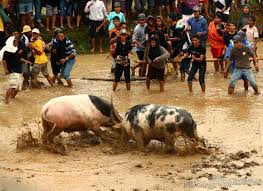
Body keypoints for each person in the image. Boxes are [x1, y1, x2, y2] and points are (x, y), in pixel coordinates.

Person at [0, 36, 30, 103]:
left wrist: (26, 61)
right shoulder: (7, 50)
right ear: (12, 42)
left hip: (19, 69)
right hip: (12, 70)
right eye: (16, 41)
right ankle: (6, 101)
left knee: (18, 87)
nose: (17, 42)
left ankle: (12, 98)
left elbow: (19, 58)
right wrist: (6, 70)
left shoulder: (15, 49)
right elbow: (4, 60)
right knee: (13, 86)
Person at [20, 25, 32, 89]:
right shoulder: (23, 39)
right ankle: (25, 85)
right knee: (25, 72)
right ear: (26, 32)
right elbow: (22, 50)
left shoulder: (27, 37)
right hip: (24, 58)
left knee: (27, 71)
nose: (30, 32)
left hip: (26, 57)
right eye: (29, 31)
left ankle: (26, 84)